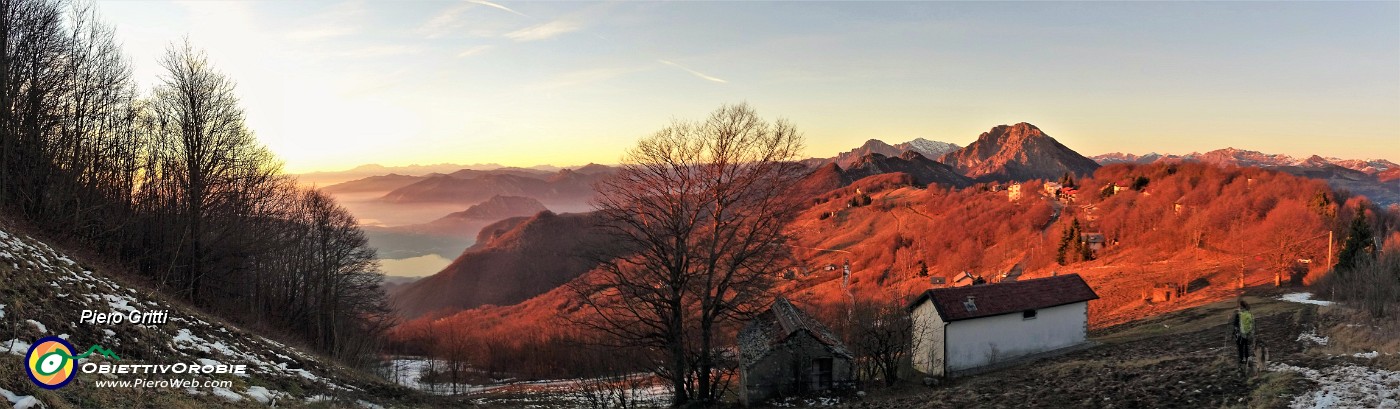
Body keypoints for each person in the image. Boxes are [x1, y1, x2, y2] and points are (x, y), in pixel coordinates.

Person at [1231, 299, 1255, 364]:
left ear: (1241, 306)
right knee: (1246, 346)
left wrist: (1234, 332)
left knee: (1240, 347)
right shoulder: (1249, 313)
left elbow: (1235, 324)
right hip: (1247, 333)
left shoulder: (1239, 314)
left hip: (1239, 334)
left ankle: (1241, 360)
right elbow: (1252, 323)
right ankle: (1247, 359)